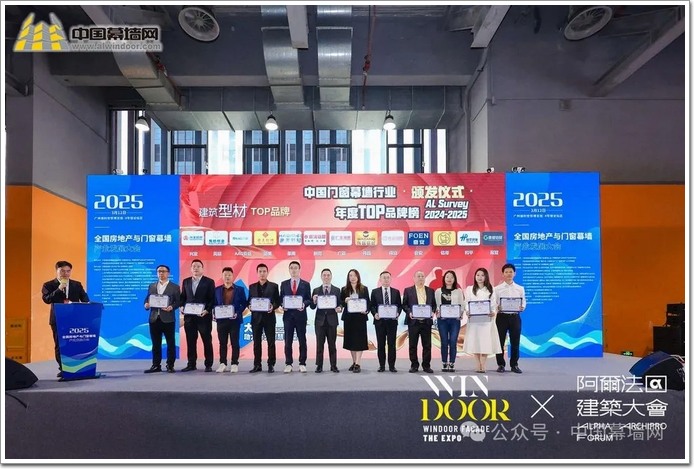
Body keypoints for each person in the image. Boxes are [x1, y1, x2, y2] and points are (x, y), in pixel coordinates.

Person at [41, 261, 89, 378]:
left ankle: (76, 367)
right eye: (62, 271)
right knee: (60, 345)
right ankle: (63, 368)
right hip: (57, 319)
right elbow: (47, 299)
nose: (65, 273)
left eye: (68, 271)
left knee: (74, 343)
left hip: (73, 319)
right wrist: (59, 289)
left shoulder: (76, 285)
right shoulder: (48, 285)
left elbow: (85, 300)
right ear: (57, 271)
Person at [462, 268, 501, 373]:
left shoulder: (491, 289)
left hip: (486, 320)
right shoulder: (469, 289)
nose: (480, 277)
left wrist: (493, 312)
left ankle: (483, 365)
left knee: (485, 342)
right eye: (478, 275)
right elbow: (466, 302)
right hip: (474, 320)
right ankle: (477, 364)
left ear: (486, 277)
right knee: (475, 342)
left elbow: (494, 304)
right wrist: (468, 311)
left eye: (482, 275)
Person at [180, 259, 216, 372]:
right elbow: (183, 297)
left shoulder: (209, 282)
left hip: (203, 316)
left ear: (202, 269)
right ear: (191, 269)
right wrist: (181, 306)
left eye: (198, 266)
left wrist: (207, 310)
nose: (196, 268)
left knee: (206, 340)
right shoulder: (186, 281)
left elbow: (212, 299)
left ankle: (208, 364)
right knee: (190, 341)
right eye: (194, 266)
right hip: (189, 317)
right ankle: (191, 364)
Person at [143, 265, 180, 373]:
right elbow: (147, 298)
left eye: (163, 271)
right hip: (154, 318)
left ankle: (170, 365)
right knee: (155, 344)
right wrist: (146, 304)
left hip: (168, 319)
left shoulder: (175, 287)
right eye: (159, 271)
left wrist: (172, 307)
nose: (161, 273)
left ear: (168, 273)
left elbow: (178, 302)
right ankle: (156, 365)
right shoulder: (152, 286)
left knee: (170, 343)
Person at [278, 261, 312, 373]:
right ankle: (288, 363)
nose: (293, 270)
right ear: (289, 270)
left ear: (299, 269)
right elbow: (281, 298)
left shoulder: (305, 284)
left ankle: (302, 363)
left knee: (302, 340)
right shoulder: (284, 284)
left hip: (301, 316)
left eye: (295, 268)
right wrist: (282, 305)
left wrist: (304, 304)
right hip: (288, 317)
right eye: (291, 268)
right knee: (288, 341)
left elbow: (309, 299)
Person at [213, 267, 248, 374]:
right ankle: (222, 363)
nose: (227, 277)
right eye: (225, 275)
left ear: (233, 276)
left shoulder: (239, 289)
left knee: (235, 342)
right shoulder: (217, 290)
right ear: (222, 276)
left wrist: (238, 312)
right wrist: (214, 313)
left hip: (234, 320)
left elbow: (244, 303)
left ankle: (234, 363)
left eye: (229, 275)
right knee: (222, 343)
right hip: (221, 321)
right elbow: (214, 304)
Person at [247, 263, 281, 373]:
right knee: (257, 343)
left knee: (271, 342)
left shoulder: (274, 286)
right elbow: (249, 301)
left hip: (269, 318)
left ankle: (271, 364)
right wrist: (249, 306)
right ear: (257, 273)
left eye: (264, 271)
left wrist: (273, 306)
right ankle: (257, 365)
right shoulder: (252, 287)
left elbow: (278, 301)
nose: (262, 273)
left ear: (267, 272)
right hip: (256, 318)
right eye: (260, 271)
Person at [402, 270, 436, 373]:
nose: (421, 278)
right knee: (413, 345)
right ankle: (414, 365)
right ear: (414, 278)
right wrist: (409, 312)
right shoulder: (408, 290)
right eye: (418, 276)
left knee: (427, 345)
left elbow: (434, 305)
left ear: (425, 278)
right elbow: (404, 305)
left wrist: (433, 312)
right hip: (413, 322)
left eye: (422, 276)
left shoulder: (430, 290)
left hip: (426, 322)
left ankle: (426, 365)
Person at [495, 263, 526, 374]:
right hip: (501, 317)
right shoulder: (497, 289)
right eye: (506, 272)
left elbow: (523, 301)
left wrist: (522, 307)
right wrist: (497, 307)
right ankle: (501, 364)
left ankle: (514, 365)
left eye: (511, 272)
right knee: (500, 342)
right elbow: (494, 303)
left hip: (515, 317)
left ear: (514, 273)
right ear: (503, 274)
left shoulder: (520, 288)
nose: (509, 274)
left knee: (515, 342)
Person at [310, 268, 341, 373]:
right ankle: (319, 366)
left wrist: (340, 308)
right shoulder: (316, 290)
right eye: (324, 275)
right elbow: (312, 307)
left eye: (328, 275)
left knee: (332, 344)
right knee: (319, 344)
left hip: (332, 321)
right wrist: (314, 301)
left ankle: (333, 365)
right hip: (320, 321)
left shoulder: (337, 290)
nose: (326, 277)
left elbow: (340, 303)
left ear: (331, 276)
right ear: (321, 277)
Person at [370, 271, 402, 373]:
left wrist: (397, 313)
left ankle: (392, 366)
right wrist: (375, 314)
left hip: (392, 322)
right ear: (380, 280)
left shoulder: (396, 292)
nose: (386, 279)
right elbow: (372, 306)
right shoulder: (375, 292)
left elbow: (399, 306)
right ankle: (382, 365)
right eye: (384, 277)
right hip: (379, 322)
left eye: (388, 277)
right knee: (381, 344)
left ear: (391, 279)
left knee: (392, 344)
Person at [340, 269, 370, 373]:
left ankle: (358, 363)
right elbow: (340, 303)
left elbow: (368, 302)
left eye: (354, 275)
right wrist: (345, 301)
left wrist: (366, 310)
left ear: (358, 277)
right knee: (351, 341)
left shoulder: (364, 288)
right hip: (349, 318)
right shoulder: (344, 289)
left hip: (360, 318)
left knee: (360, 341)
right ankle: (354, 362)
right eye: (350, 276)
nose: (352, 277)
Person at [434, 270, 464, 372]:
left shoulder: (458, 291)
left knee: (453, 341)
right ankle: (444, 362)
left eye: (452, 277)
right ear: (444, 278)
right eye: (447, 277)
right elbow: (435, 305)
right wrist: (437, 312)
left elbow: (462, 304)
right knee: (444, 342)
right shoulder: (438, 291)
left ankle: (451, 363)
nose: (449, 279)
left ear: (454, 279)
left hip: (455, 321)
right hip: (442, 320)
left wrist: (460, 313)